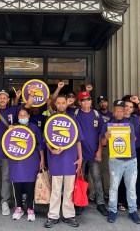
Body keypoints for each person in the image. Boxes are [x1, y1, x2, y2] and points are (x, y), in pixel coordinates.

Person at [0, 87, 35, 216]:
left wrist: (32, 94)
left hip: (9, 152)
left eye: (5, 97)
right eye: (0, 97)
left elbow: (27, 106)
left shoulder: (13, 109)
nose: (2, 99)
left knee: (6, 178)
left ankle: (4, 201)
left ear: (7, 99)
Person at [101, 97, 140, 225]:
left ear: (124, 111)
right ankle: (112, 210)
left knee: (131, 187)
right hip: (115, 160)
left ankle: (133, 211)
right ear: (113, 111)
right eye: (117, 111)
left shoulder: (132, 121)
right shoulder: (108, 124)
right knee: (113, 187)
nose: (119, 113)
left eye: (121, 110)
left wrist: (138, 102)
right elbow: (103, 142)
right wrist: (105, 137)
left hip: (131, 160)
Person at [44, 95, 83, 228]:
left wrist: (80, 158)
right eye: (58, 103)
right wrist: (52, 150)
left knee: (69, 190)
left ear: (67, 104)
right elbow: (46, 139)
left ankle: (69, 215)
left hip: (70, 159)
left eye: (63, 103)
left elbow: (78, 140)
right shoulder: (50, 119)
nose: (61, 105)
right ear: (55, 104)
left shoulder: (73, 120)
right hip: (55, 160)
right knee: (55, 190)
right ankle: (53, 216)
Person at [73, 91, 108, 216]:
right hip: (79, 154)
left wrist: (99, 152)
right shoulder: (75, 114)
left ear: (91, 101)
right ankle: (79, 203)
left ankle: (101, 204)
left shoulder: (97, 114)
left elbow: (100, 134)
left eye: (88, 99)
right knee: (79, 179)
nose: (86, 102)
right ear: (79, 102)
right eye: (83, 100)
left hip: (93, 153)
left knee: (97, 179)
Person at [8, 107, 45, 221]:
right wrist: (9, 131)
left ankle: (30, 209)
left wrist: (42, 159)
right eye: (20, 115)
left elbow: (40, 144)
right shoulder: (13, 127)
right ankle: (18, 207)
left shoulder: (34, 127)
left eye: (25, 115)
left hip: (31, 160)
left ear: (29, 116)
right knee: (17, 185)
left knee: (30, 186)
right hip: (16, 160)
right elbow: (6, 142)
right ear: (17, 116)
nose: (23, 117)